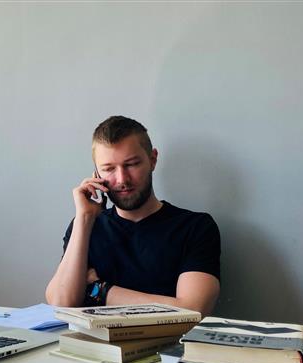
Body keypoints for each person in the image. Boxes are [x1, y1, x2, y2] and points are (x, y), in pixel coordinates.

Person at [44, 116, 220, 315]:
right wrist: (84, 219)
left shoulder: (195, 227)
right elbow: (60, 303)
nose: (122, 179)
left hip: (164, 345)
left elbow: (193, 310)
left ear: (152, 160)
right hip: (89, 345)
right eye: (109, 169)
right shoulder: (86, 226)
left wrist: (100, 290)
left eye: (132, 164)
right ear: (96, 174)